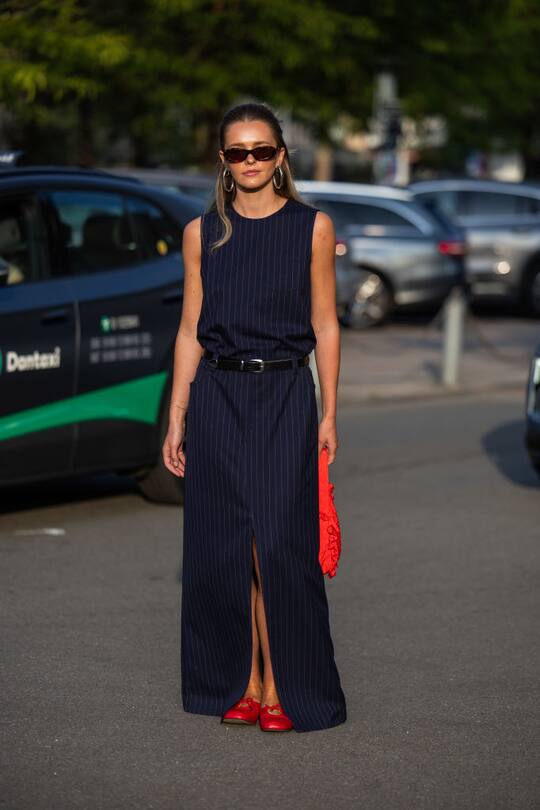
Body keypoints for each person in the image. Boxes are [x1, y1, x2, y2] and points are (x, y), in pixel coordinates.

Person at [162, 102, 346, 733]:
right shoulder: (200, 233)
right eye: (237, 152)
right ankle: (241, 682)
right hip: (217, 396)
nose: (249, 162)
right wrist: (177, 413)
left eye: (261, 151)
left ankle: (283, 687)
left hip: (286, 397)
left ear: (280, 156)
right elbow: (190, 329)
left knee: (279, 547)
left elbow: (325, 324)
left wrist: (329, 411)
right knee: (224, 548)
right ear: (222, 160)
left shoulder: (311, 227)